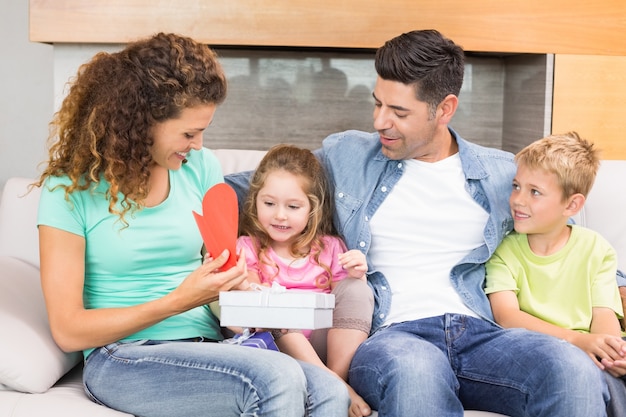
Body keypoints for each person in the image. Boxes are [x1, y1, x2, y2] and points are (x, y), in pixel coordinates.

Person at [226, 29, 610, 416]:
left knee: (570, 368)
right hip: (395, 337)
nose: (379, 121)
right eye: (378, 104)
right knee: (417, 375)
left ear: (444, 109)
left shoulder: (502, 174)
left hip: (483, 335)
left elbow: (571, 240)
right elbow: (247, 189)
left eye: (399, 112)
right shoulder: (347, 155)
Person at [34, 32, 349, 417]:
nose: (198, 145)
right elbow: (68, 329)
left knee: (330, 393)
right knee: (275, 378)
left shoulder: (200, 169)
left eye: (203, 131)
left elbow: (224, 270)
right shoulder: (68, 190)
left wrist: (244, 289)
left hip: (207, 345)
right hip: (123, 355)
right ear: (141, 122)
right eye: (188, 133)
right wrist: (177, 302)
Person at [484, 132, 626, 417]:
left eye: (534, 192)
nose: (518, 200)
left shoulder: (595, 248)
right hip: (543, 353)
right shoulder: (504, 250)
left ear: (572, 205)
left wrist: (612, 353)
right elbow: (507, 317)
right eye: (516, 186)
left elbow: (605, 317)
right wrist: (576, 342)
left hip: (593, 354)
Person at [237, 144, 374, 417]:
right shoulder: (248, 246)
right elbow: (249, 290)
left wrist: (357, 272)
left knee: (357, 288)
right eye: (269, 203)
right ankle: (336, 386)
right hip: (275, 345)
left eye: (293, 206)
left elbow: (344, 303)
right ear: (255, 201)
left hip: (325, 344)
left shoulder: (331, 247)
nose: (279, 215)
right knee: (267, 302)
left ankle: (332, 378)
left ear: (313, 208)